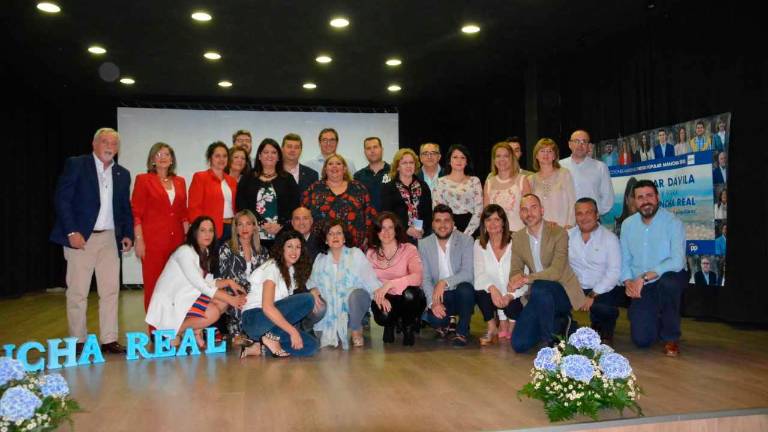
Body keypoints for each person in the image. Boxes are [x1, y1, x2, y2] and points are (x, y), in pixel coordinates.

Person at [50, 127, 134, 354]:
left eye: (114, 143)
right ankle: (78, 340)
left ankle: (109, 339)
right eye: (105, 142)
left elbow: (124, 208)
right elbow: (62, 199)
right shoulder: (77, 164)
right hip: (81, 238)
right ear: (94, 144)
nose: (109, 147)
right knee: (78, 292)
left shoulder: (122, 173)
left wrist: (127, 234)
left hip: (109, 239)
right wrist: (71, 232)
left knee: (110, 291)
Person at [145, 216, 247, 348]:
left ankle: (193, 331)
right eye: (203, 230)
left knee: (222, 303)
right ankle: (171, 331)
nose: (207, 234)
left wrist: (228, 282)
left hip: (186, 297)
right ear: (195, 232)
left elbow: (207, 280)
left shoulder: (204, 251)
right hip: (172, 301)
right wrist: (232, 299)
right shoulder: (185, 252)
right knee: (213, 312)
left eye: (210, 230)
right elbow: (201, 285)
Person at [508, 194, 586, 353]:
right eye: (524, 209)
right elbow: (515, 269)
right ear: (520, 214)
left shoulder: (559, 233)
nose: (529, 213)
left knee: (540, 287)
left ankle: (550, 342)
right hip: (538, 295)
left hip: (562, 291)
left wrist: (526, 279)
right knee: (519, 344)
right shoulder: (518, 237)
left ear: (542, 210)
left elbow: (556, 272)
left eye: (533, 207)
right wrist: (515, 278)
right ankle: (561, 323)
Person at [620, 180, 687, 356]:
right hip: (641, 285)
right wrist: (628, 282)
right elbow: (624, 259)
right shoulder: (627, 225)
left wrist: (644, 277)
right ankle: (655, 319)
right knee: (642, 341)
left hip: (664, 278)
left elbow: (677, 260)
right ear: (634, 201)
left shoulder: (673, 223)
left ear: (657, 197)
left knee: (669, 283)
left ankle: (671, 337)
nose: (645, 201)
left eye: (649, 195)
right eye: (640, 197)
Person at [131, 143, 189, 319]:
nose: (163, 157)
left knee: (175, 286)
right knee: (154, 286)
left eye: (167, 154)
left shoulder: (180, 182)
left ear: (172, 159)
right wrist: (139, 240)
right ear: (152, 159)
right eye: (158, 154)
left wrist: (189, 243)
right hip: (152, 243)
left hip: (177, 242)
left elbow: (183, 214)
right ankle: (155, 329)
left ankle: (172, 327)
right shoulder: (143, 179)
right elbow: (136, 214)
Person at [240, 230, 318, 358]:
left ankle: (261, 346)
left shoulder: (291, 272)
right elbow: (268, 307)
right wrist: (292, 331)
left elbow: (288, 310)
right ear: (281, 248)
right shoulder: (272, 267)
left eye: (298, 247)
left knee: (310, 346)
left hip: (268, 327)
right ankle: (268, 339)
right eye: (289, 246)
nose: (294, 251)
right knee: (308, 300)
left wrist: (314, 289)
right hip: (255, 319)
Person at [306, 220, 379, 349]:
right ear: (325, 240)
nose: (335, 237)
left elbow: (370, 279)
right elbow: (311, 283)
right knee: (317, 302)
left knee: (355, 294)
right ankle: (311, 328)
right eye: (330, 234)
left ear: (344, 238)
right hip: (330, 306)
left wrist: (380, 293)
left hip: (354, 300)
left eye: (339, 233)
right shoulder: (320, 259)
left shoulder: (355, 253)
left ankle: (356, 329)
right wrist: (313, 289)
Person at [418, 205, 475, 347]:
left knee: (466, 289)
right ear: (432, 224)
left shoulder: (466, 241)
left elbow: (468, 273)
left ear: (453, 223)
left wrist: (444, 282)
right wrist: (433, 302)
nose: (442, 225)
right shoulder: (424, 244)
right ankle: (447, 324)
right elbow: (425, 278)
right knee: (436, 320)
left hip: (460, 293)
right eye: (438, 221)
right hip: (440, 296)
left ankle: (462, 332)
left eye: (446, 220)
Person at [568, 198, 622, 345]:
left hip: (602, 289)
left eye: (588, 212)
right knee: (552, 295)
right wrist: (575, 291)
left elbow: (614, 272)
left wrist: (592, 295)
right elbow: (561, 266)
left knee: (605, 309)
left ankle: (603, 328)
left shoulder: (610, 239)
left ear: (597, 215)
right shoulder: (567, 236)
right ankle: (566, 328)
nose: (584, 217)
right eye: (579, 213)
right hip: (575, 287)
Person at [369, 213, 427, 346]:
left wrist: (390, 284)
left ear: (396, 230)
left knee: (410, 294)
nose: (386, 232)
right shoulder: (371, 253)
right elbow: (367, 280)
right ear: (377, 231)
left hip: (406, 298)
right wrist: (379, 293)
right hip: (385, 298)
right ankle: (390, 324)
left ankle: (408, 325)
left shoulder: (409, 249)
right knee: (383, 315)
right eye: (382, 228)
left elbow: (418, 277)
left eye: (390, 227)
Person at [302, 153, 376, 249]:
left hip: (353, 246)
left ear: (344, 169)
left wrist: (367, 237)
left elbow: (369, 213)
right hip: (320, 245)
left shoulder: (358, 188)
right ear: (325, 169)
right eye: (330, 164)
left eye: (338, 163)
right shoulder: (315, 188)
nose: (334, 166)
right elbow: (303, 213)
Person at [217, 210, 269, 346]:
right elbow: (224, 277)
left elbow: (266, 278)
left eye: (248, 224)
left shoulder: (262, 251)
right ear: (235, 228)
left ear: (254, 227)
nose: (245, 228)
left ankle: (256, 334)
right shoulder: (226, 248)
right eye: (240, 224)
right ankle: (238, 333)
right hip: (233, 292)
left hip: (255, 293)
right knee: (240, 299)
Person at [236, 138, 299, 249]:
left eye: (274, 152)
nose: (270, 155)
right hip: (252, 233)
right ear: (259, 156)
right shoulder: (248, 177)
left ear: (279, 157)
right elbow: (241, 204)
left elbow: (294, 205)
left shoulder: (287, 179)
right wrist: (260, 222)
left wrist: (280, 224)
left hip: (281, 233)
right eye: (266, 152)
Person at [474, 204, 521, 345]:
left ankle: (512, 322)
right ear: (483, 224)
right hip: (495, 296)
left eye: (497, 219)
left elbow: (524, 276)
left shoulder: (516, 241)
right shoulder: (478, 244)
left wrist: (509, 295)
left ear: (503, 222)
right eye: (488, 220)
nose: (493, 224)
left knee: (513, 305)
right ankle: (492, 328)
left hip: (515, 295)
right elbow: (479, 275)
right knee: (479, 290)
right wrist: (492, 288)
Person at [188, 141, 238, 243]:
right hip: (210, 230)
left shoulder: (232, 180)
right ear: (210, 158)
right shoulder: (200, 177)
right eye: (217, 156)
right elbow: (194, 207)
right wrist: (200, 230)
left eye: (224, 156)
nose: (221, 159)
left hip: (231, 229)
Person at [381, 148, 432, 243]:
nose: (408, 166)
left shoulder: (423, 186)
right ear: (397, 167)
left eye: (411, 163)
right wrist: (406, 229)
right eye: (404, 163)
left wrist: (423, 229)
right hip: (399, 237)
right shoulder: (389, 188)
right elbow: (387, 215)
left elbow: (428, 213)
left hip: (422, 236)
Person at [560, 130, 614, 216]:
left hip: (591, 221)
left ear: (589, 146)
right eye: (576, 141)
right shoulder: (559, 166)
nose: (580, 145)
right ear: (569, 144)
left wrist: (594, 215)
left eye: (584, 141)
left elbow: (608, 198)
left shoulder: (601, 167)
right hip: (565, 221)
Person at [433, 144, 483, 236]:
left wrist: (467, 234)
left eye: (462, 157)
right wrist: (453, 230)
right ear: (449, 160)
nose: (459, 160)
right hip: (447, 227)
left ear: (467, 161)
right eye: (455, 157)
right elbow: (437, 209)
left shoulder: (475, 181)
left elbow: (479, 210)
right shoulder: (440, 182)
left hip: (471, 229)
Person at [528, 138, 576, 228]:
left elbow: (572, 202)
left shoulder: (564, 174)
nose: (546, 154)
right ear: (536, 155)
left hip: (563, 229)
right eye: (542, 151)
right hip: (540, 230)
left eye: (549, 151)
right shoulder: (531, 180)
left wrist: (570, 224)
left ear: (554, 156)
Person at [484, 141, 531, 231]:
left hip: (518, 235)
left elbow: (528, 212)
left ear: (512, 158)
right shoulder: (489, 183)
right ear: (494, 160)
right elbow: (486, 216)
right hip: (495, 236)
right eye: (498, 156)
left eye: (506, 156)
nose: (502, 159)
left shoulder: (522, 180)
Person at [354, 137, 391, 213]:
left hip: (390, 222)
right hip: (367, 222)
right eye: (368, 148)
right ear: (365, 152)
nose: (372, 151)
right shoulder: (358, 176)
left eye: (375, 147)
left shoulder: (393, 172)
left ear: (382, 149)